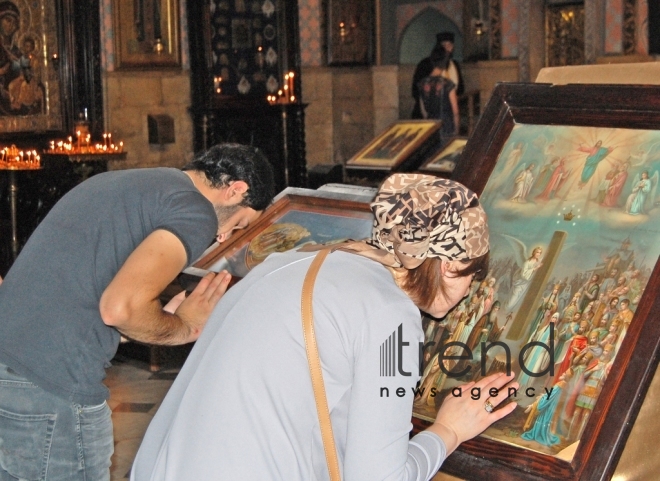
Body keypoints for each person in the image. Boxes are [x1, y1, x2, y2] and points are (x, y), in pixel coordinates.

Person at [131, 174, 518, 481]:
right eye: (475, 273)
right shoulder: (391, 317)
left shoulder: (289, 261)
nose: (470, 290)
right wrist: (449, 429)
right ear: (450, 265)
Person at [0, 143, 275, 480]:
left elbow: (81, 296)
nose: (222, 238)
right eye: (239, 225)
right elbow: (119, 309)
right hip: (53, 391)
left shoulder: (126, 182)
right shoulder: (196, 209)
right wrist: (185, 327)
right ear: (236, 191)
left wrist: (153, 320)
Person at [412, 32, 463, 119]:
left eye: (449, 45)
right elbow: (416, 89)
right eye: (444, 45)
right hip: (428, 114)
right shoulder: (425, 64)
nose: (447, 48)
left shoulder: (455, 65)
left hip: (448, 113)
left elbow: (461, 88)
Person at [415, 45, 459, 143]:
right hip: (447, 126)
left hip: (431, 126)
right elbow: (455, 111)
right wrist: (456, 131)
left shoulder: (422, 84)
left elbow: (423, 110)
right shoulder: (448, 84)